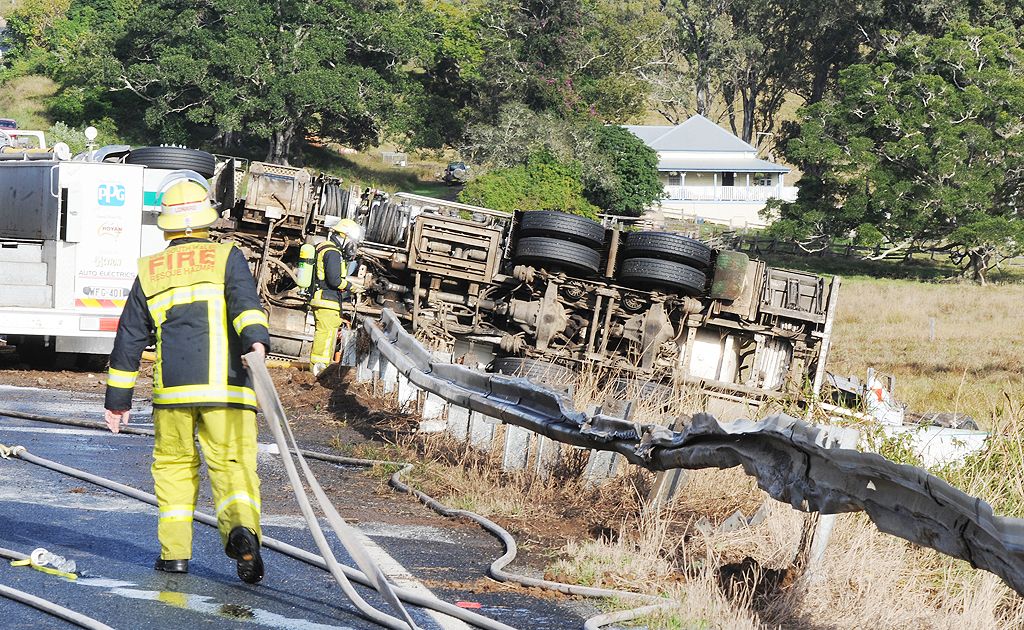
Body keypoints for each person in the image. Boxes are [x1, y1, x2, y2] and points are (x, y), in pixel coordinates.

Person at [103, 171, 270, 585]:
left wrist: (117, 402)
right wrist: (256, 343)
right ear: (206, 218)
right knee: (233, 464)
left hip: (173, 392)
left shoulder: (151, 269)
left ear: (167, 224)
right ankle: (241, 532)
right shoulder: (226, 255)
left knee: (174, 468)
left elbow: (130, 337)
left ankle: (175, 556)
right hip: (227, 388)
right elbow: (245, 306)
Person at [308, 218, 364, 376]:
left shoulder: (323, 247)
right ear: (344, 236)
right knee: (325, 338)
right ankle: (319, 370)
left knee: (325, 336)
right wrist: (352, 287)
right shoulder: (333, 252)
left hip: (323, 298)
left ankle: (318, 369)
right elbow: (334, 280)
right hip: (327, 300)